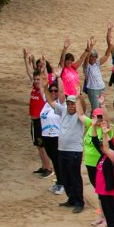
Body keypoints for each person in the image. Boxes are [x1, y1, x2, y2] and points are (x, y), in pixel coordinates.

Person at [41, 65, 86, 214]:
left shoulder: (80, 115)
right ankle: (71, 198)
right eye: (70, 103)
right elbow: (50, 100)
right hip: (62, 149)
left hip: (74, 151)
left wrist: (79, 97)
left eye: (73, 103)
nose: (71, 106)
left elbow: (83, 108)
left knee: (74, 176)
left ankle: (79, 201)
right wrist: (45, 87)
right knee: (65, 176)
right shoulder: (64, 110)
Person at [24, 50, 54, 178]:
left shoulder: (43, 89)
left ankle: (49, 168)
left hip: (41, 122)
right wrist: (26, 59)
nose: (36, 81)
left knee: (42, 146)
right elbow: (29, 72)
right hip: (34, 121)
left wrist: (43, 65)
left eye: (38, 79)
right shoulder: (34, 87)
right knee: (38, 145)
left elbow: (44, 76)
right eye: (35, 79)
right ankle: (43, 166)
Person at [81, 105, 112, 227]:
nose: (100, 119)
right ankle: (101, 216)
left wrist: (103, 105)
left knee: (104, 194)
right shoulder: (91, 127)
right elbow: (80, 114)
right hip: (90, 164)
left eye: (101, 117)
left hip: (101, 165)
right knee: (99, 193)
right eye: (97, 117)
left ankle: (106, 218)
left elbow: (108, 120)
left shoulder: (107, 128)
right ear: (93, 117)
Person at [94, 134, 114, 227]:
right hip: (102, 190)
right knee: (106, 212)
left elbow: (113, 148)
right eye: (100, 147)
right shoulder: (102, 156)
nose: (101, 148)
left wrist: (106, 134)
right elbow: (95, 143)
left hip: (109, 191)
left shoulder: (112, 157)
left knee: (111, 212)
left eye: (103, 146)